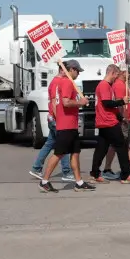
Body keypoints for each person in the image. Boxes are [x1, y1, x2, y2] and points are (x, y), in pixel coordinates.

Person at [38, 60, 95, 193]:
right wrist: (81, 102)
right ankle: (44, 181)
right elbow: (66, 102)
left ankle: (79, 182)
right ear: (72, 69)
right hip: (66, 125)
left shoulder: (62, 82)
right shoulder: (67, 82)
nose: (78, 74)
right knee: (59, 153)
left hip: (70, 124)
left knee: (75, 153)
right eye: (78, 71)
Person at [89, 65, 130, 184]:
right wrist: (122, 101)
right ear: (113, 73)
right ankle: (125, 175)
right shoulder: (104, 85)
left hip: (105, 121)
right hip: (108, 121)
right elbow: (107, 103)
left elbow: (111, 106)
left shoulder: (106, 86)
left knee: (101, 148)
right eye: (117, 74)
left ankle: (95, 174)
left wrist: (120, 117)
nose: (117, 77)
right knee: (121, 146)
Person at [31, 63, 76, 183]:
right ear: (62, 70)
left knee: (50, 143)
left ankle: (36, 167)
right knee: (63, 146)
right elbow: (55, 102)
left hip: (53, 118)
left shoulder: (56, 82)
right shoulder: (58, 82)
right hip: (57, 119)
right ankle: (66, 172)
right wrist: (58, 118)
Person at [102, 65, 130, 180]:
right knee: (125, 145)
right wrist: (122, 117)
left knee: (123, 145)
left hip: (125, 119)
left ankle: (126, 168)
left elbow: (126, 102)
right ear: (122, 73)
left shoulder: (123, 85)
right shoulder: (119, 85)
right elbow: (119, 103)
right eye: (129, 73)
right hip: (122, 120)